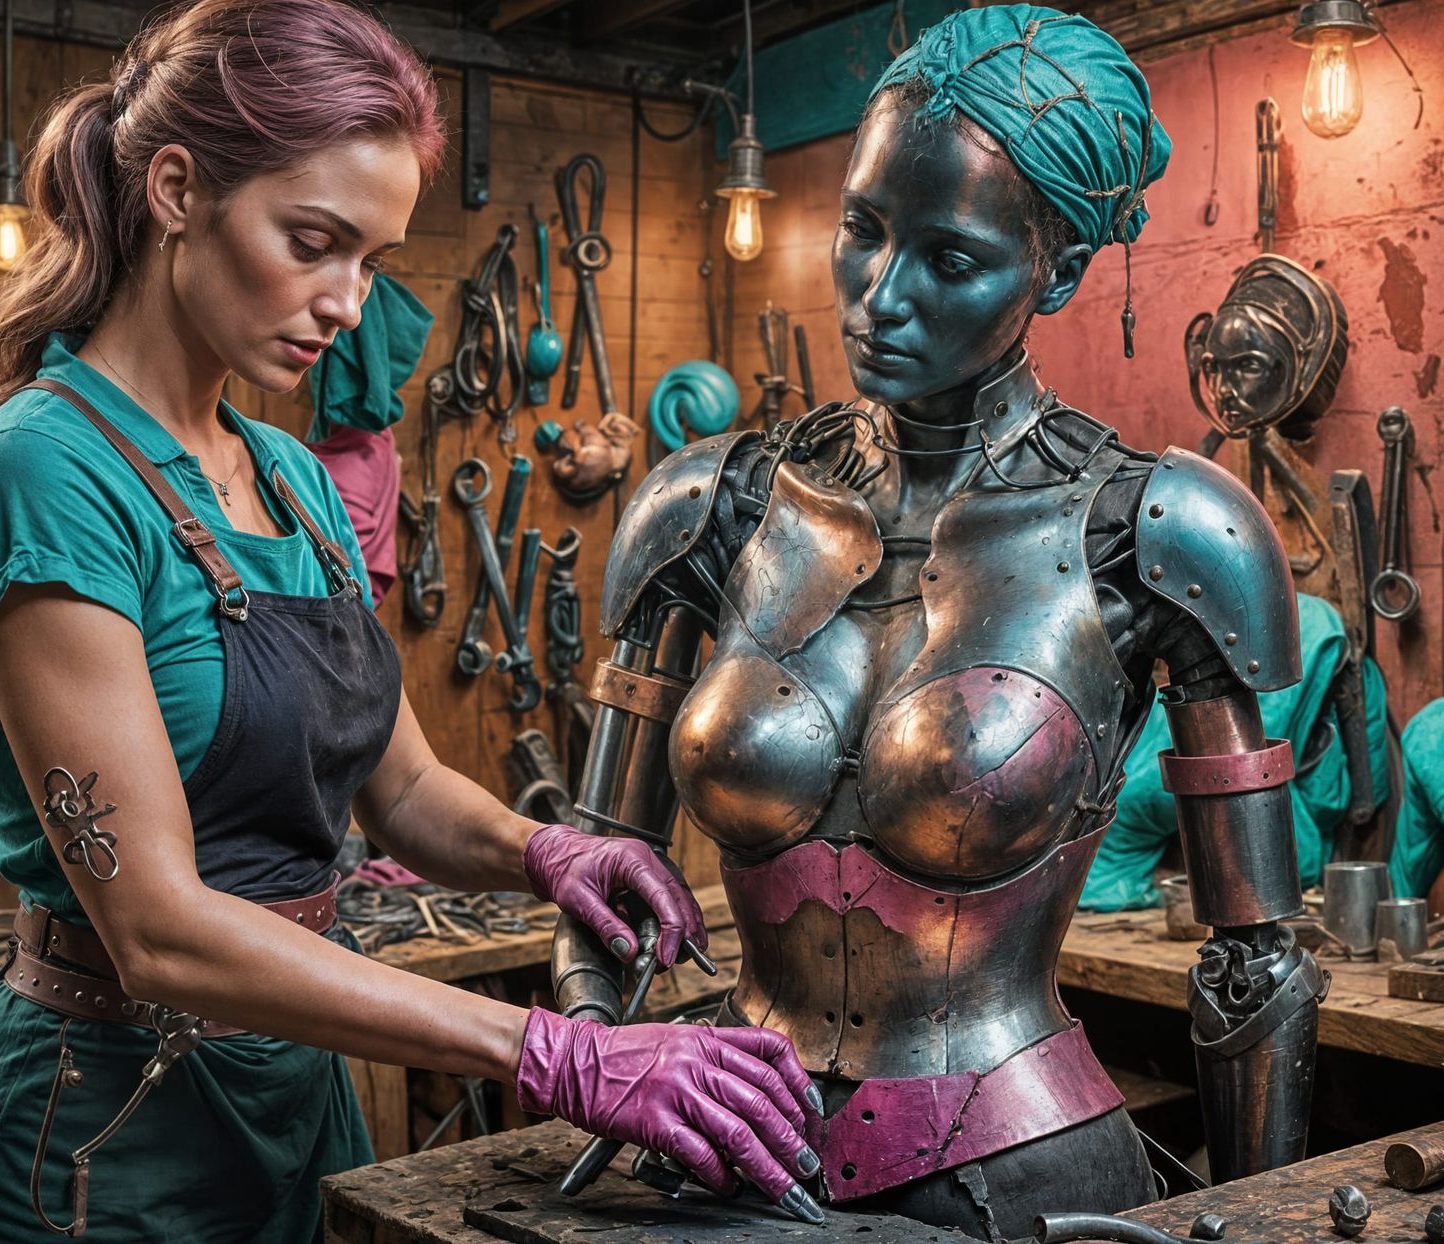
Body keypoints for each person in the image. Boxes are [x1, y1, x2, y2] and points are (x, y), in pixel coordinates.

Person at [0, 4, 820, 1240]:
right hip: (93, 1146)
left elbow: (403, 790)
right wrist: (553, 1051)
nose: (347, 302)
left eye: (374, 260)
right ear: (177, 189)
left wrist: (543, 849)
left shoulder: (289, 476)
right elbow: (160, 930)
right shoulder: (43, 473)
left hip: (297, 1104)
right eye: (313, 241)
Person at [553, 7, 1324, 1240]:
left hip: (1019, 1176)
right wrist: (595, 1054)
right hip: (717, 1152)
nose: (879, 297)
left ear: (1058, 273)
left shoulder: (1162, 530)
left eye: (951, 260)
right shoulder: (704, 508)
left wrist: (1250, 1217)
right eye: (861, 230)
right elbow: (594, 871)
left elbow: (1255, 959)